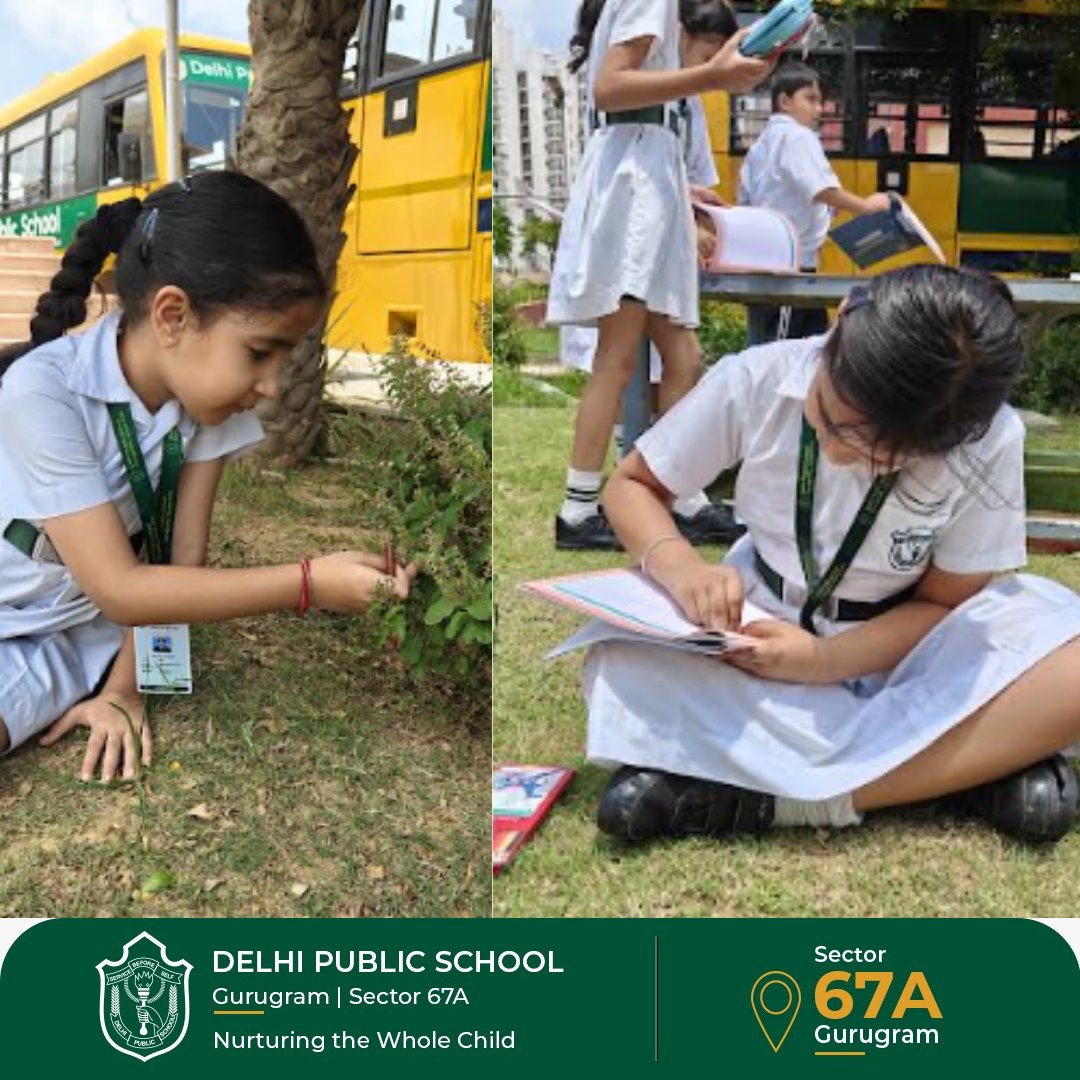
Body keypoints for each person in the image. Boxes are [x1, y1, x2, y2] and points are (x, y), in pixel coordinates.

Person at [583, 265, 1080, 846]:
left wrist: (823, 661)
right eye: (835, 422)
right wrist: (681, 566)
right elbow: (632, 486)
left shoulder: (989, 434)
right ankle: (966, 769)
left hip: (911, 647)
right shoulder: (756, 379)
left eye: (889, 456)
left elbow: (945, 602)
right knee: (618, 657)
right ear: (841, 319)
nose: (846, 457)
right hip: (759, 630)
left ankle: (771, 800)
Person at [0, 171, 417, 783]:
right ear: (172, 315)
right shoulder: (45, 391)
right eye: (258, 352)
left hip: (72, 637)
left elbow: (179, 558)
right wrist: (307, 583)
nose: (272, 385)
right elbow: (122, 587)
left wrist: (124, 690)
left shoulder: (204, 408)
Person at [548, 0, 772, 549]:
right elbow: (611, 87)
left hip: (651, 183)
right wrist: (713, 75)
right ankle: (578, 509)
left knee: (683, 356)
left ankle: (682, 494)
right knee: (619, 356)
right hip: (636, 191)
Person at [738, 62, 892, 344]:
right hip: (789, 269)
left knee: (794, 351)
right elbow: (821, 189)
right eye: (810, 99)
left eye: (821, 101)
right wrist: (866, 206)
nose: (819, 109)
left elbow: (748, 200)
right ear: (784, 101)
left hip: (771, 263)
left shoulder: (761, 144)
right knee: (785, 355)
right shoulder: (797, 135)